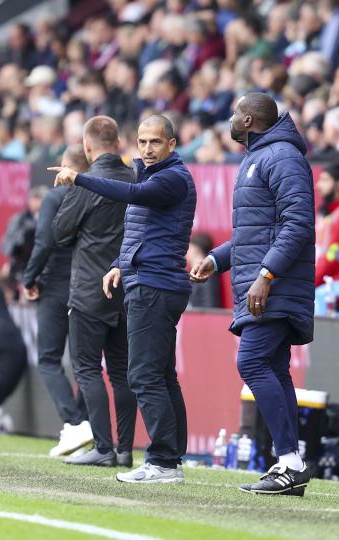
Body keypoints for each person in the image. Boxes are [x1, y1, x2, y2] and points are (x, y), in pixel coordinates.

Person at [50, 114, 197, 484]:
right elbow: (142, 229)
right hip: (148, 280)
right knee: (162, 376)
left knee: (144, 376)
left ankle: (163, 462)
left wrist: (79, 176)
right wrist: (119, 263)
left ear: (172, 145)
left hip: (155, 286)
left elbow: (133, 196)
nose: (147, 149)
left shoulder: (171, 178)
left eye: (155, 142)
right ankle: (173, 458)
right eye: (143, 142)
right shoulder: (151, 174)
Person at [191, 92, 316, 496]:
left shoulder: (281, 156)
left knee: (252, 362)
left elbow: (298, 223)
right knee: (274, 369)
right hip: (267, 282)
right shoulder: (258, 157)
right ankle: (288, 464)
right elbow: (252, 236)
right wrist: (215, 260)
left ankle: (290, 461)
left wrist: (267, 273)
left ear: (248, 121)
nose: (229, 119)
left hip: (275, 286)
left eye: (234, 113)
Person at [51, 117, 138, 468]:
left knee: (87, 369)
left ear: (87, 146)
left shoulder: (87, 183)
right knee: (121, 372)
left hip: (88, 289)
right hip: (125, 288)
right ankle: (127, 449)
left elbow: (60, 231)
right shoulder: (134, 180)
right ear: (116, 143)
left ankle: (103, 448)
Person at [22, 145, 93, 458]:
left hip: (55, 284)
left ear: (64, 166)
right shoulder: (96, 194)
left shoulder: (55, 197)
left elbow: (44, 241)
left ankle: (75, 424)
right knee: (85, 364)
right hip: (88, 283)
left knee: (49, 359)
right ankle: (86, 426)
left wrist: (29, 278)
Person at [0, 187, 43, 288]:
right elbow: (9, 244)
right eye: (34, 199)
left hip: (41, 265)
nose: (37, 203)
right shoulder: (18, 220)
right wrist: (10, 263)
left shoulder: (48, 218)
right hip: (20, 266)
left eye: (39, 199)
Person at [186, 233, 223, 309]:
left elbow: (210, 305)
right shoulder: (194, 273)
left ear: (195, 248)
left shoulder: (208, 275)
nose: (186, 251)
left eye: (189, 247)